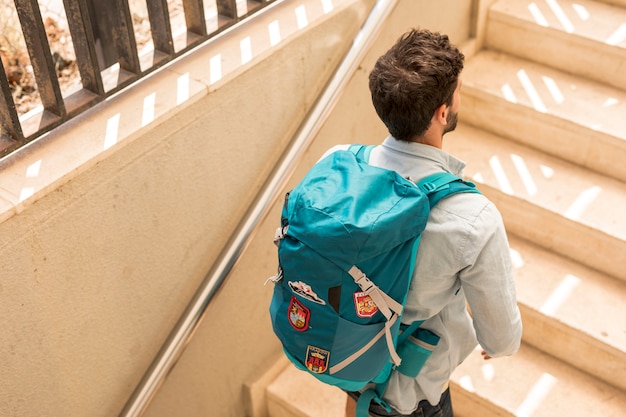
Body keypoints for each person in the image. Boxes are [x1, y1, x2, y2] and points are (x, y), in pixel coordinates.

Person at [339, 28, 523, 417]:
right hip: (412, 396)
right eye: (456, 91)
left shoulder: (340, 165)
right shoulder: (472, 219)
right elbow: (502, 338)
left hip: (347, 363)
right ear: (443, 113)